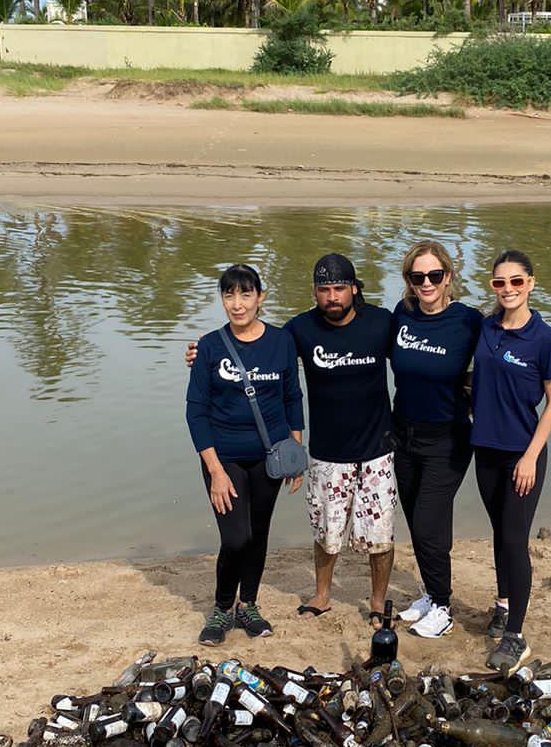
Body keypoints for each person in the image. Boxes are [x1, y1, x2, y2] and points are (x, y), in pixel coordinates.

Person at [185, 264, 304, 645]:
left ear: (260, 297)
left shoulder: (282, 342)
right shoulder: (209, 346)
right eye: (229, 295)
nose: (237, 304)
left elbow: (292, 397)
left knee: (259, 534)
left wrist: (295, 450)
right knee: (236, 537)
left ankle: (248, 606)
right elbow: (195, 410)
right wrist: (215, 471)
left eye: (245, 294)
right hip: (225, 458)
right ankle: (221, 609)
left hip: (270, 455)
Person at [284, 254, 396, 623]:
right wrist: (207, 350)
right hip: (328, 453)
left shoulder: (381, 323)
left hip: (378, 451)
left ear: (354, 288)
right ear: (315, 292)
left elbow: (418, 361)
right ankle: (322, 594)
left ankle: (379, 602)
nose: (332, 297)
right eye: (324, 290)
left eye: (339, 288)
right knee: (326, 531)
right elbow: (262, 350)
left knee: (380, 534)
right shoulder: (301, 329)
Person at [470, 249, 551, 674]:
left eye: (516, 282)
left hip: (522, 455)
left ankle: (516, 636)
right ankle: (503, 604)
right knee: (499, 533)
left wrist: (530, 456)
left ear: (531, 283)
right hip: (485, 450)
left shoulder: (544, 338)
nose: (508, 289)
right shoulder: (485, 329)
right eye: (499, 282)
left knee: (514, 538)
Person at [390, 240, 482, 639]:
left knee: (429, 523)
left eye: (434, 275)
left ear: (448, 277)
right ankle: (429, 593)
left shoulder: (468, 320)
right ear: (409, 281)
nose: (426, 283)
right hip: (403, 436)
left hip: (448, 438)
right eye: (417, 276)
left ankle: (443, 607)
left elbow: (506, 347)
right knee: (416, 518)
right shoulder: (402, 314)